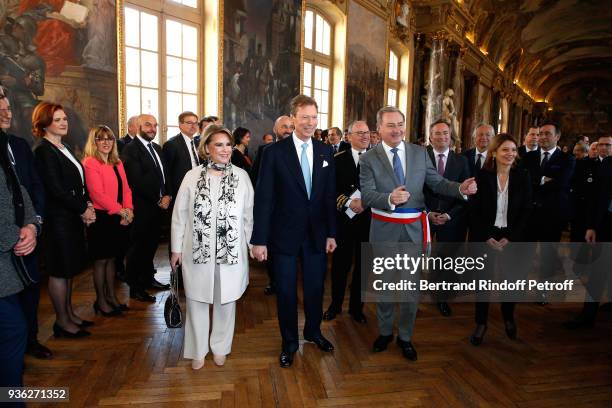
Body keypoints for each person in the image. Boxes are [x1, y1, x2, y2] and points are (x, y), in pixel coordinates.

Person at [360, 106, 477, 361]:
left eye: (400, 124)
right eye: (390, 125)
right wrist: (389, 198)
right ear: (378, 128)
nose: (397, 129)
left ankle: (405, 337)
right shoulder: (368, 159)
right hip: (384, 231)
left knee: (411, 288)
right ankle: (384, 332)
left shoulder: (419, 152)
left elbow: (437, 182)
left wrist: (461, 189)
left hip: (414, 230)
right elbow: (367, 195)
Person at [251, 95, 337, 368]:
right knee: (286, 292)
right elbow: (264, 198)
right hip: (283, 236)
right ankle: (289, 342)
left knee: (314, 289)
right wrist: (259, 240)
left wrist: (332, 233)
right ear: (293, 119)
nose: (311, 123)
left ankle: (313, 331)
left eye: (314, 117)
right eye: (305, 117)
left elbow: (328, 197)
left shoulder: (326, 152)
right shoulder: (274, 153)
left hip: (317, 235)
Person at [170, 125, 254, 370]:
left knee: (226, 300)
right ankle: (197, 351)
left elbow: (248, 215)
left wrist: (253, 244)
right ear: (207, 148)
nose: (225, 149)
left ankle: (220, 347)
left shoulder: (241, 176)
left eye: (228, 144)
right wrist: (175, 248)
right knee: (196, 299)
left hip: (231, 252)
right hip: (196, 251)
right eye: (219, 144)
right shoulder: (192, 176)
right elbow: (180, 215)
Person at [33, 102, 95, 338]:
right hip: (58, 221)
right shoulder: (43, 150)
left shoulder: (64, 147)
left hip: (72, 218)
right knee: (60, 270)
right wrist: (83, 209)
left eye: (65, 119)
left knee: (69, 269)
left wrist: (87, 204)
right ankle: (61, 322)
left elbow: (78, 182)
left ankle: (69, 314)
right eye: (57, 120)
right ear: (44, 123)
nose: (63, 123)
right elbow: (55, 189)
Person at [467, 133, 532, 345]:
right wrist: (486, 236)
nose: (510, 154)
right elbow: (473, 212)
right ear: (494, 153)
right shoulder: (481, 175)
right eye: (505, 150)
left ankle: (508, 317)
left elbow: (526, 211)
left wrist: (511, 237)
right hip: (486, 236)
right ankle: (481, 323)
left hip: (512, 237)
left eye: (513, 150)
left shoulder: (523, 176)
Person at [1, 90, 51, 359]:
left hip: (28, 237)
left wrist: (34, 226)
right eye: (2, 109)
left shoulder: (19, 145)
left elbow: (33, 186)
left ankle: (30, 342)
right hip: (5, 243)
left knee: (30, 294)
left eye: (9, 108)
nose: (7, 113)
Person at [0, 125, 39, 389]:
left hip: (8, 263)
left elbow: (19, 191)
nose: (5, 105)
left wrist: (32, 226)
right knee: (12, 330)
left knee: (13, 330)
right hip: (5, 259)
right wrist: (17, 236)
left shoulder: (7, 145)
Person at [323, 120, 371, 324]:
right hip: (344, 220)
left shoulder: (378, 159)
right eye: (359, 133)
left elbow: (384, 188)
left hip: (369, 220)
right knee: (340, 266)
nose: (364, 136)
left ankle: (356, 308)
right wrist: (349, 202)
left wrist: (365, 203)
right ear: (348, 136)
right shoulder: (337, 159)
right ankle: (335, 305)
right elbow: (329, 189)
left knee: (363, 266)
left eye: (367, 132)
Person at [83, 125, 133, 316]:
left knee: (112, 258)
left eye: (109, 138)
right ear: (94, 142)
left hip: (118, 216)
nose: (106, 142)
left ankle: (112, 297)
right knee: (100, 261)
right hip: (102, 217)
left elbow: (126, 189)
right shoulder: (90, 163)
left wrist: (129, 210)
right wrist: (121, 211)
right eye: (101, 139)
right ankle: (101, 301)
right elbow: (97, 194)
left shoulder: (117, 162)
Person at [121, 114, 171, 302]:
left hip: (158, 207)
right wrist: (158, 198)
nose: (152, 129)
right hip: (142, 207)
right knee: (137, 249)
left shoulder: (157, 148)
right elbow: (136, 180)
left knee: (151, 246)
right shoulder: (130, 149)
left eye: (155, 125)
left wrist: (168, 194)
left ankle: (149, 279)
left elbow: (165, 174)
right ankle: (135, 287)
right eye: (148, 125)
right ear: (137, 127)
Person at [423, 119, 470, 317]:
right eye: (438, 133)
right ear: (430, 137)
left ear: (451, 137)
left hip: (452, 219)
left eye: (445, 133)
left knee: (447, 260)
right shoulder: (420, 158)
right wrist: (427, 212)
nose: (442, 137)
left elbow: (467, 192)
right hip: (424, 216)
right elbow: (414, 188)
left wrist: (449, 215)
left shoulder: (462, 161)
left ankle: (441, 297)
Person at [249, 115, 294, 296]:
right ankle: (274, 282)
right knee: (273, 253)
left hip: (292, 212)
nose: (288, 130)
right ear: (275, 129)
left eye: (291, 126)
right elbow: (255, 179)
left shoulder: (301, 151)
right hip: (272, 212)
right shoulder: (265, 150)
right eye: (284, 127)